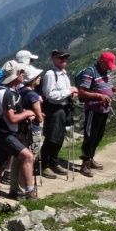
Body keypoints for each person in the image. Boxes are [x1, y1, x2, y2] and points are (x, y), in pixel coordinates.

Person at [0, 62, 39, 204]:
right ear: (15, 75)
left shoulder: (12, 90)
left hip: (3, 132)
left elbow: (14, 116)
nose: (23, 74)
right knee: (28, 156)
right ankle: (30, 193)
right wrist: (28, 112)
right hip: (5, 134)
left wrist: (26, 116)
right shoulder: (6, 93)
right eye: (21, 72)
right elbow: (12, 118)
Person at [76, 52, 116, 177]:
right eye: (107, 64)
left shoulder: (104, 71)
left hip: (104, 109)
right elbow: (81, 92)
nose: (109, 68)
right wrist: (99, 96)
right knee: (90, 135)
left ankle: (91, 159)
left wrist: (113, 90)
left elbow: (102, 87)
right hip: (93, 109)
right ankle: (85, 163)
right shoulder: (90, 72)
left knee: (98, 136)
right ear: (101, 61)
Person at [39, 49, 77, 179]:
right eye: (61, 58)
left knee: (59, 137)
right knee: (51, 137)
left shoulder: (63, 74)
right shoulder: (51, 74)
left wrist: (71, 93)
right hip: (54, 109)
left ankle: (54, 162)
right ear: (53, 59)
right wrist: (68, 91)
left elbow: (64, 92)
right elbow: (50, 94)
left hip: (64, 108)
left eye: (65, 57)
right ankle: (44, 165)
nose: (64, 59)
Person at [11, 65, 45, 196]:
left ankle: (14, 188)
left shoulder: (20, 92)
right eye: (37, 77)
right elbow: (39, 118)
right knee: (29, 159)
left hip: (20, 129)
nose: (39, 78)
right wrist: (40, 115)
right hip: (33, 130)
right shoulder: (33, 95)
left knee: (18, 157)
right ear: (32, 79)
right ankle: (23, 189)